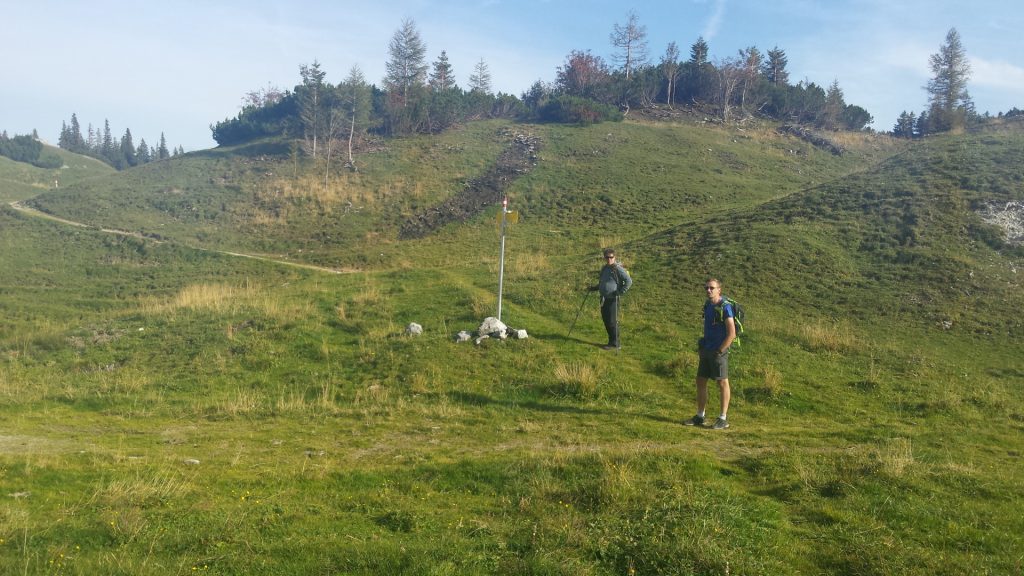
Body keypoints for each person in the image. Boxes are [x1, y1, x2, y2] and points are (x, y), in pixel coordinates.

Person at [684, 278, 736, 429]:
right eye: (706, 288)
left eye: (711, 288)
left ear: (719, 290)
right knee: (701, 380)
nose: (708, 290)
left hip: (718, 351)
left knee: (722, 382)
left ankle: (723, 418)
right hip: (706, 349)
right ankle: (700, 416)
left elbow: (731, 333)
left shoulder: (725, 308)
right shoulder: (707, 305)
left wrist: (720, 351)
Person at [589, 248, 632, 350]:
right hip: (604, 298)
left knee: (612, 322)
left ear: (614, 257)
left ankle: (616, 344)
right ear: (604, 258)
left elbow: (629, 281)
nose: (609, 259)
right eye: (607, 257)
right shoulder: (604, 268)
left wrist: (619, 292)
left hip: (613, 299)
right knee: (606, 320)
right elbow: (602, 282)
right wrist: (594, 288)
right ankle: (611, 341)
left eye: (611, 257)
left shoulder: (617, 269)